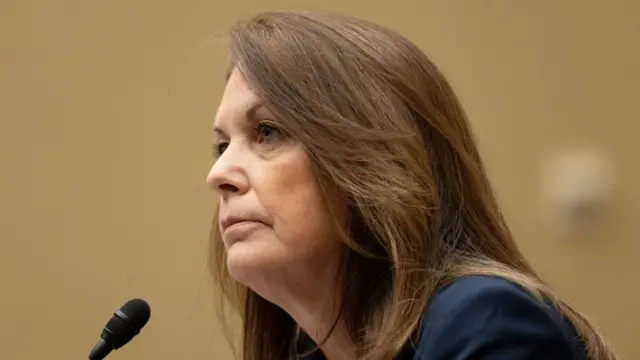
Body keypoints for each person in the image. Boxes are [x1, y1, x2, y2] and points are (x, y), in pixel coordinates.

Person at [205, 11, 617, 360]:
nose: (218, 173)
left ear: (371, 161)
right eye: (222, 146)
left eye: (267, 132)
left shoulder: (486, 324)